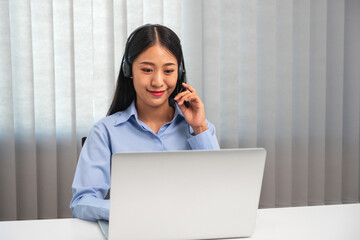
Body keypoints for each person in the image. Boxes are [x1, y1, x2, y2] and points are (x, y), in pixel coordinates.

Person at [70, 24, 220, 221]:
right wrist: (130, 211)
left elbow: (218, 193)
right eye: (147, 70)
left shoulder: (200, 128)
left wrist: (199, 128)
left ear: (179, 72)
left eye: (168, 71)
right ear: (129, 70)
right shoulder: (105, 132)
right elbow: (82, 202)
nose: (158, 81)